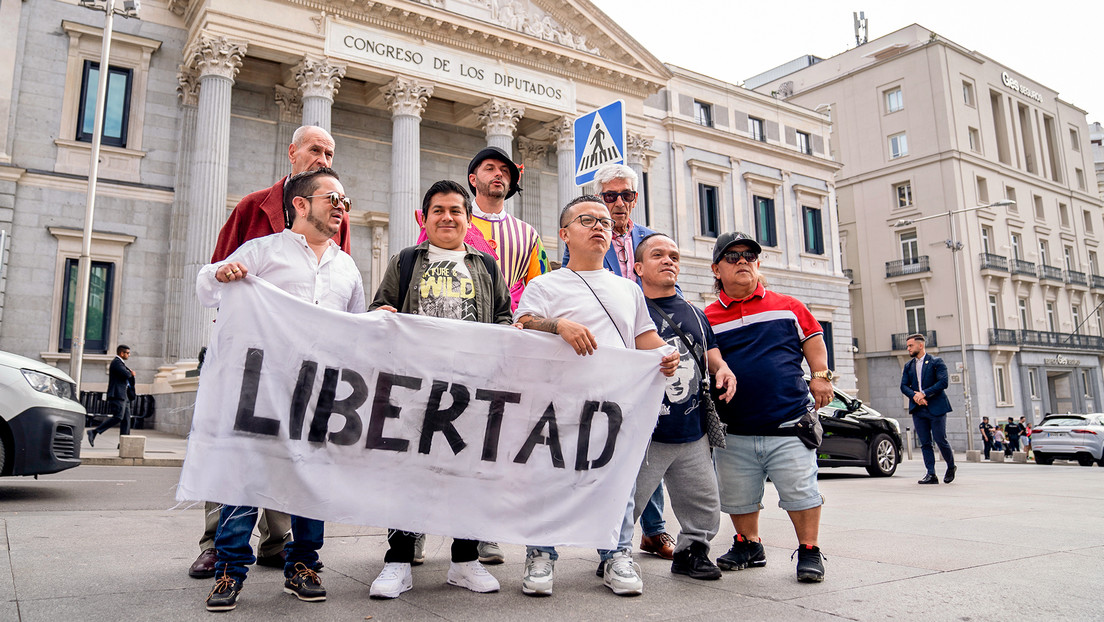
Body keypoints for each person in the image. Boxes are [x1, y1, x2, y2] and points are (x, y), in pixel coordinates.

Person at [196, 167, 365, 612]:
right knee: (246, 476)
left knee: (310, 479)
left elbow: (357, 329)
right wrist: (224, 273)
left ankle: (303, 563)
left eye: (345, 202)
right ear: (301, 204)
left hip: (318, 393)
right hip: (261, 389)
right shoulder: (263, 251)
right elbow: (207, 285)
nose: (341, 208)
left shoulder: (346, 266)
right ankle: (230, 570)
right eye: (332, 199)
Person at [514, 195, 679, 597]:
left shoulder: (628, 289)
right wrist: (559, 326)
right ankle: (541, 554)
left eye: (605, 222)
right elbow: (523, 323)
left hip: (614, 405)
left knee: (616, 483)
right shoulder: (544, 284)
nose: (600, 227)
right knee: (548, 480)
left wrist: (666, 354)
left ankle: (616, 554)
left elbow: (643, 337)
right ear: (565, 234)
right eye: (587, 220)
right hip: (556, 404)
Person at [366, 180, 511, 598]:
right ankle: (398, 561)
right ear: (425, 218)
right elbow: (379, 309)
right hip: (415, 390)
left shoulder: (486, 267)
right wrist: (383, 314)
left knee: (469, 475)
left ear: (468, 218)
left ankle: (465, 561)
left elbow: (504, 316)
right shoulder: (406, 261)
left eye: (455, 211)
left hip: (471, 392)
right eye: (438, 211)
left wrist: (501, 340)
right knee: (407, 475)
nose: (447, 218)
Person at [704, 231, 831, 584]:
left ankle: (809, 550)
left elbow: (814, 339)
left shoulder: (788, 306)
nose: (743, 261)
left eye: (749, 256)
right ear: (716, 269)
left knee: (801, 492)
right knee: (738, 496)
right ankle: (749, 544)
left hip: (789, 423)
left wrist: (821, 376)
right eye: (732, 257)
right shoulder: (706, 317)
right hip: (735, 428)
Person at [563, 163, 674, 559]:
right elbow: (574, 282)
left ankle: (653, 530)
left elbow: (671, 284)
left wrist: (665, 347)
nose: (619, 203)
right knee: (611, 444)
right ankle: (607, 538)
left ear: (635, 198)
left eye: (626, 195)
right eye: (610, 196)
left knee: (645, 439)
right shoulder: (589, 235)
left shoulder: (653, 239)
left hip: (645, 344)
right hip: (605, 350)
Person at [632, 232, 736, 580]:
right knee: (627, 501)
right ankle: (613, 555)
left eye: (674, 256)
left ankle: (692, 552)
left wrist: (722, 368)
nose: (668, 261)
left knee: (704, 502)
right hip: (645, 431)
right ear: (638, 267)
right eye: (658, 255)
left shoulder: (694, 311)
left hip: (693, 429)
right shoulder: (629, 309)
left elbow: (710, 350)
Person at [900, 333, 956, 485]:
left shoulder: (936, 362)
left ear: (920, 345)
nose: (908, 349)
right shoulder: (908, 366)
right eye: (907, 346)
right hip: (918, 409)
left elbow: (943, 382)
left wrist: (924, 393)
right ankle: (931, 474)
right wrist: (915, 396)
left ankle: (951, 466)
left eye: (910, 346)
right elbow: (903, 386)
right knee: (925, 443)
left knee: (940, 439)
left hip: (937, 407)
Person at [86, 344, 135, 446]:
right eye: (127, 353)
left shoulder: (121, 363)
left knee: (126, 420)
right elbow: (126, 374)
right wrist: (131, 373)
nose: (129, 355)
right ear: (121, 353)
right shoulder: (116, 362)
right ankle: (94, 431)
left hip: (124, 395)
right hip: (117, 395)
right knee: (118, 417)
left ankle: (123, 444)